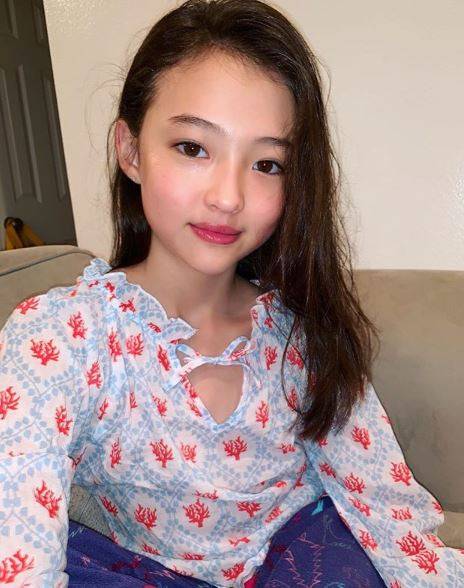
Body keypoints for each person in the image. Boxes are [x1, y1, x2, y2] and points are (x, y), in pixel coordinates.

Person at [1, 0, 463, 586]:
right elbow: (18, 532)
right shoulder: (58, 338)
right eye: (193, 148)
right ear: (131, 151)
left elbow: (386, 511)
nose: (228, 197)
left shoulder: (302, 337)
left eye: (267, 164)